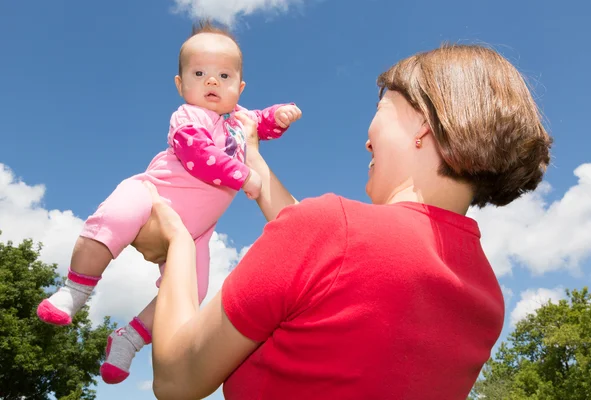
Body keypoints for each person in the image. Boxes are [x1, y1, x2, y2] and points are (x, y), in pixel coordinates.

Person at [131, 43, 552, 400]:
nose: (367, 138)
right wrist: (253, 157)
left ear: (425, 122)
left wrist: (180, 241)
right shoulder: (486, 299)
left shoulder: (331, 231)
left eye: (382, 109)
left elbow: (176, 378)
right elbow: (339, 264)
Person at [35, 20, 302, 384]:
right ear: (181, 85)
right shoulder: (188, 117)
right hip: (153, 195)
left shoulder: (241, 120)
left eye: (224, 75)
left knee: (193, 290)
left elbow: (264, 122)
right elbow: (198, 155)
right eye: (200, 73)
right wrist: (246, 177)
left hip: (196, 232)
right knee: (114, 217)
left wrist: (282, 114)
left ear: (239, 88)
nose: (212, 81)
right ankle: (75, 290)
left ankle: (129, 339)